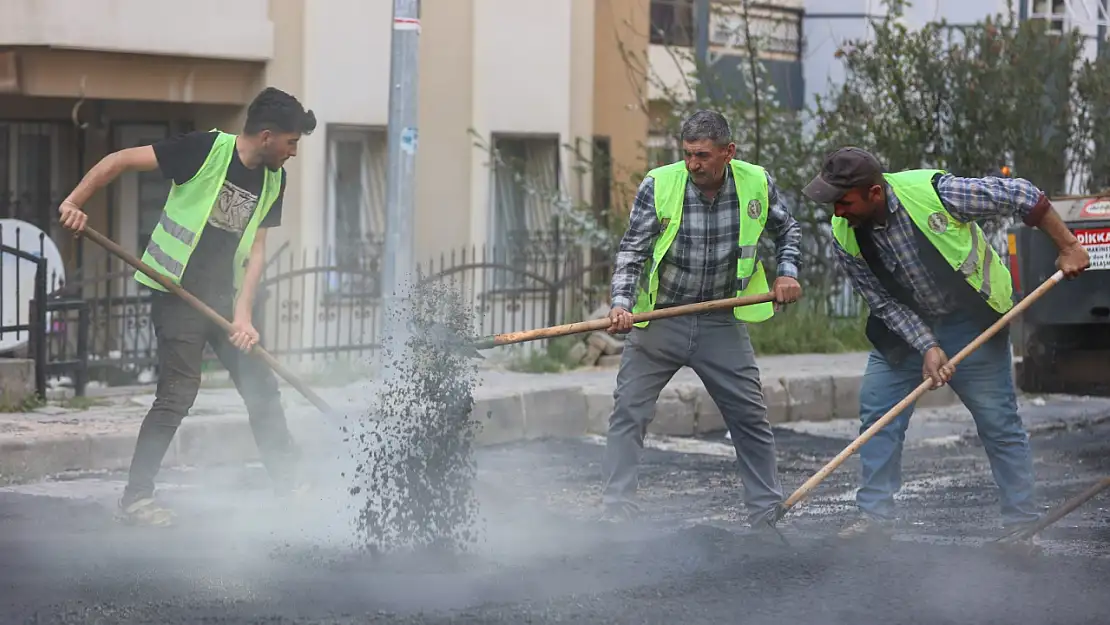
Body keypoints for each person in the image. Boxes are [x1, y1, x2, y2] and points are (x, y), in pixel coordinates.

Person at [802, 146, 1090, 544]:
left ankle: (1022, 524)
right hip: (903, 330)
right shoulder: (844, 234)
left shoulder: (937, 194)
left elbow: (1021, 194)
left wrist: (1069, 246)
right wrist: (927, 346)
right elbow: (882, 302)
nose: (836, 212)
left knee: (998, 421)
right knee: (878, 411)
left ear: (874, 192)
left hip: (971, 320)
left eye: (843, 201)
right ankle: (874, 520)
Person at [58, 87, 317, 527]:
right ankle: (136, 499)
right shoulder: (204, 150)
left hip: (222, 299)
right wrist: (73, 203)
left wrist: (244, 315)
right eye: (292, 143)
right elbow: (118, 160)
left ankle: (288, 486)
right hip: (174, 290)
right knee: (178, 393)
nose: (294, 152)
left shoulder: (275, 179)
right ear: (269, 136)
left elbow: (256, 251)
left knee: (261, 387)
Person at [602, 110, 803, 533]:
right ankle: (617, 507)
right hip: (660, 321)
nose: (694, 164)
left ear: (728, 153)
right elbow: (632, 251)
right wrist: (621, 304)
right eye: (688, 154)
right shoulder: (659, 185)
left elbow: (789, 231)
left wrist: (788, 272)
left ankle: (766, 511)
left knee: (749, 416)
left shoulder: (756, 183)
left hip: (720, 320)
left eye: (703, 156)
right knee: (629, 412)